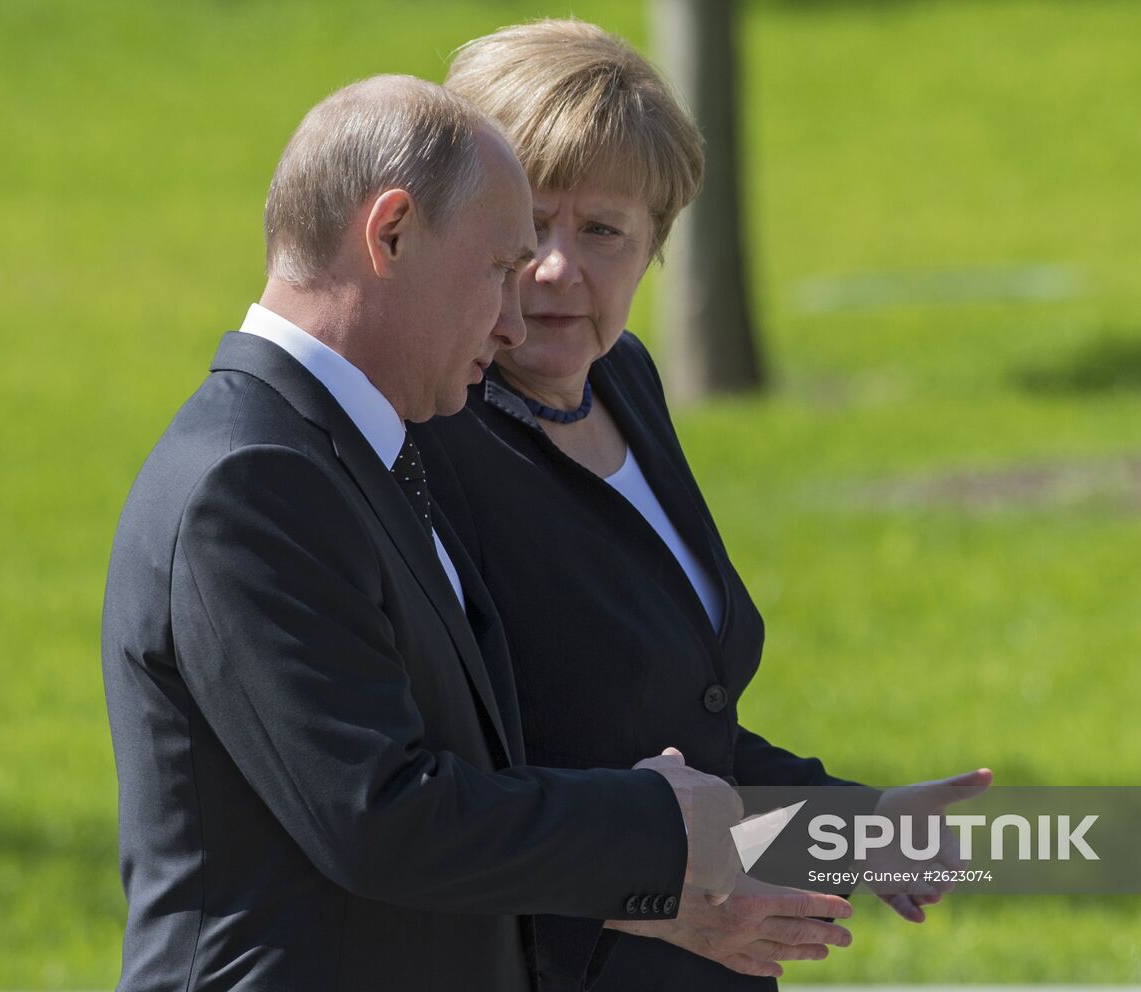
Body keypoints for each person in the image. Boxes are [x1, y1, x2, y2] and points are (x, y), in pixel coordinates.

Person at [99, 74, 794, 992]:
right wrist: (656, 830)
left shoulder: (355, 451)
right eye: (501, 267)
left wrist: (863, 831)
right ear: (389, 235)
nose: (516, 316)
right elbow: (380, 817)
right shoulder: (255, 479)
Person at [419, 21, 992, 989]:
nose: (558, 268)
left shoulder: (622, 380)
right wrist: (655, 904)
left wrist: (850, 819)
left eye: (601, 230)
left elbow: (678, 724)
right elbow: (443, 798)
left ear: (655, 245)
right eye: (529, 230)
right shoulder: (428, 432)